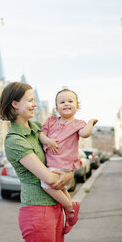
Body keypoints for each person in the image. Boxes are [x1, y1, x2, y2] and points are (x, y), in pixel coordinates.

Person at [0, 82, 74, 242]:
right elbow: (49, 178)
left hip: (55, 207)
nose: (35, 104)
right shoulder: (15, 140)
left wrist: (69, 172)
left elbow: (64, 155)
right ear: (15, 104)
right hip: (38, 211)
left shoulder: (39, 128)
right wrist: (67, 176)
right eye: (30, 100)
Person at [39, 88, 98, 229]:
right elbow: (42, 135)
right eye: (62, 102)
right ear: (57, 108)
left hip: (63, 163)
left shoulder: (78, 124)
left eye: (70, 101)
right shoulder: (50, 121)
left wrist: (90, 122)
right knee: (62, 189)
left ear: (77, 106)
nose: (66, 104)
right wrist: (48, 141)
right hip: (52, 162)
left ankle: (71, 207)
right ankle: (69, 217)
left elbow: (84, 134)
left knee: (45, 185)